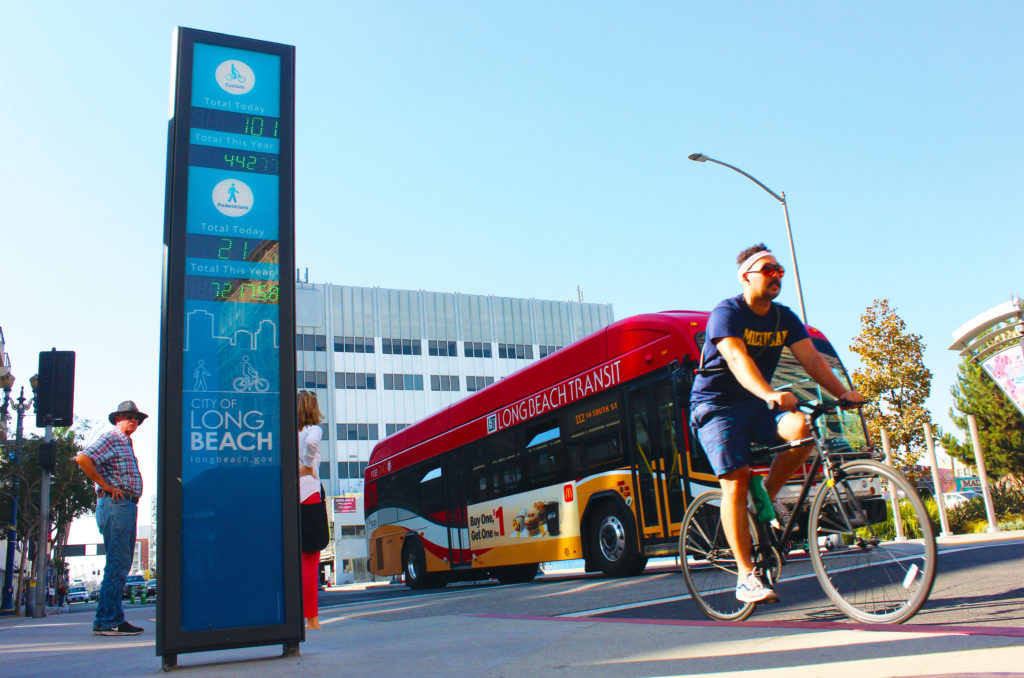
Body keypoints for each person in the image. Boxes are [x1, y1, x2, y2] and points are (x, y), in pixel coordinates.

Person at [689, 244, 864, 604]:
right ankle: (745, 576)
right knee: (735, 482)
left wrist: (844, 392)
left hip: (757, 404)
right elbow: (736, 359)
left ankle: (766, 498)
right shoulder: (727, 312)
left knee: (802, 431)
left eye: (780, 271)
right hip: (716, 406)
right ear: (746, 276)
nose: (776, 276)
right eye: (768, 270)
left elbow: (811, 359)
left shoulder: (784, 317)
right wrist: (770, 393)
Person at [75, 400, 147, 635]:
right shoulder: (112, 437)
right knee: (118, 562)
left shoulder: (125, 442)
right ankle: (111, 620)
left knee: (119, 562)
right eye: (127, 416)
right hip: (116, 504)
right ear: (118, 419)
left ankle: (104, 620)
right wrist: (105, 485)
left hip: (124, 504)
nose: (132, 420)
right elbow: (83, 458)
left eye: (136, 417)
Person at [297, 391, 324, 629]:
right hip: (309, 497)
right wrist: (306, 465)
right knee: (310, 559)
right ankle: (312, 618)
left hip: (289, 498)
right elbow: (312, 444)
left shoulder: (287, 431)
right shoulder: (313, 430)